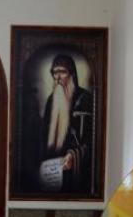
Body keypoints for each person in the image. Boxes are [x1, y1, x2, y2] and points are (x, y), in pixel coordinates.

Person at [38, 54, 93, 194]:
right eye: (54, 73)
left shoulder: (85, 99)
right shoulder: (51, 100)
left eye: (62, 72)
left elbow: (92, 138)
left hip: (75, 169)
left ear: (72, 74)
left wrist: (73, 155)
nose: (57, 77)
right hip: (53, 169)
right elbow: (44, 137)